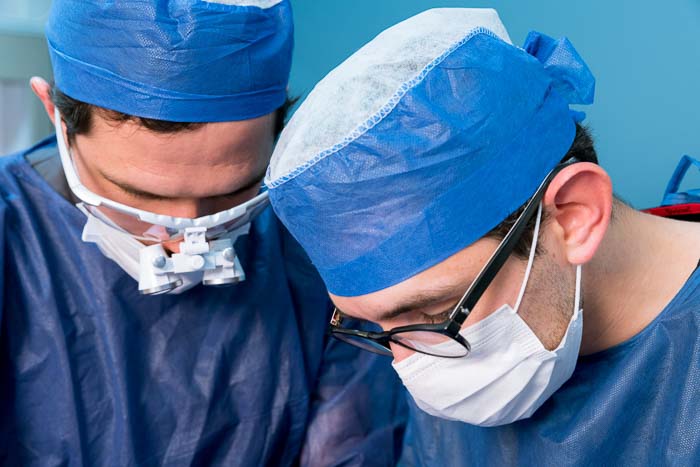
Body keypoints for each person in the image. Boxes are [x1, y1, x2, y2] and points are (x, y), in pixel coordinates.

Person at [264, 8, 700, 465]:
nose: (410, 366)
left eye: (435, 313)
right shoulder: (456, 352)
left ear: (575, 214)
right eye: (375, 329)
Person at [0, 1, 406, 465]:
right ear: (54, 112)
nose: (184, 239)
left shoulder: (319, 255)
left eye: (232, 196)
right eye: (138, 199)